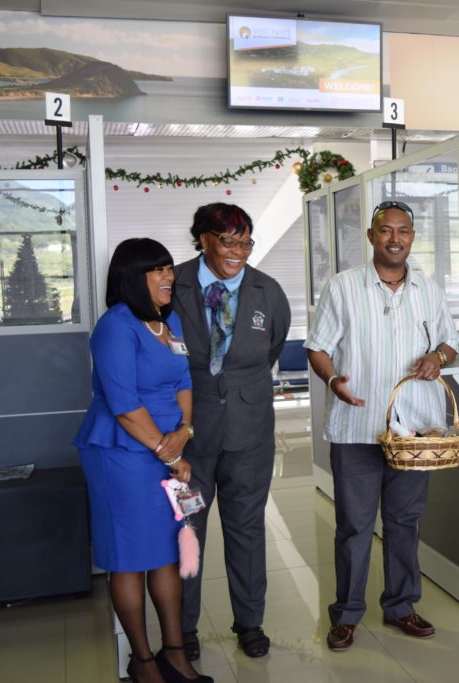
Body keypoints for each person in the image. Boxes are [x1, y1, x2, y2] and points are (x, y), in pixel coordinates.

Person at [305, 200, 459, 652]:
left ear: (413, 237)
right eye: (386, 231)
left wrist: (439, 358)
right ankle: (347, 614)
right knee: (353, 525)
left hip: (413, 433)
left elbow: (449, 343)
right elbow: (317, 348)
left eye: (404, 231)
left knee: (404, 522)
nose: (395, 238)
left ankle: (400, 606)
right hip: (357, 427)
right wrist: (333, 381)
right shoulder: (342, 287)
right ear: (371, 238)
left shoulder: (429, 290)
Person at [73, 238, 211, 683]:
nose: (169, 277)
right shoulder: (115, 326)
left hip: (166, 450)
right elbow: (125, 404)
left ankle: (173, 652)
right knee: (130, 558)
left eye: (170, 268)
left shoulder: (165, 324)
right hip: (122, 456)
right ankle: (142, 660)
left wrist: (183, 434)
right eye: (158, 270)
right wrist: (167, 452)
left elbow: (184, 383)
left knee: (166, 555)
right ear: (134, 277)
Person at [171, 204, 291, 660]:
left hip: (250, 430)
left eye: (246, 242)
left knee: (246, 529)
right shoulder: (172, 286)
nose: (238, 251)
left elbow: (270, 349)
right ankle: (183, 630)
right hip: (188, 435)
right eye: (228, 240)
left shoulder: (267, 291)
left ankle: (249, 622)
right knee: (186, 530)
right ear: (203, 238)